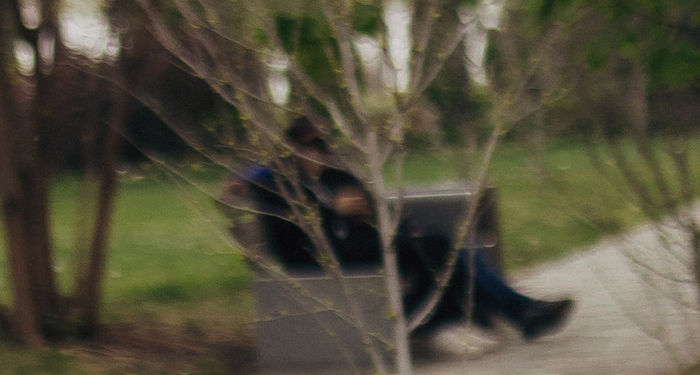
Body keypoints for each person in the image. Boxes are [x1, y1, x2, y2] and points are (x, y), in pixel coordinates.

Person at [230, 121, 573, 346]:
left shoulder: (333, 173)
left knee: (443, 247)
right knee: (442, 251)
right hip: (325, 259)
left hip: (362, 245)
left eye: (322, 147)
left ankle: (514, 311)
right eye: (309, 149)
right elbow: (290, 232)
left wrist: (392, 218)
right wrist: (330, 210)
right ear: (291, 151)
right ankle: (513, 312)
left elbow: (372, 203)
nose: (318, 155)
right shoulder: (277, 185)